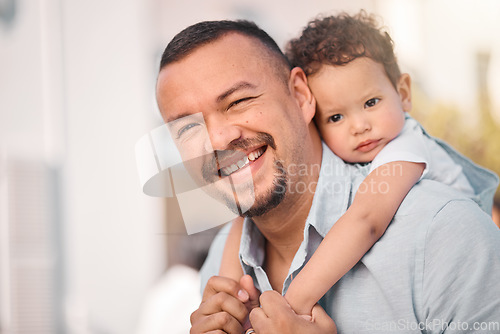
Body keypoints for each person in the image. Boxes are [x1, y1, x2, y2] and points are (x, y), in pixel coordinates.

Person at [155, 18, 500, 334]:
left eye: (238, 101)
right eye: (187, 128)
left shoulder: (444, 235)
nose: (216, 141)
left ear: (301, 96)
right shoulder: (219, 267)